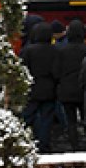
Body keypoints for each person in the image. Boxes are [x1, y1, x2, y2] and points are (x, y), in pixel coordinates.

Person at [20, 22, 60, 153]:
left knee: (27, 117)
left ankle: (23, 142)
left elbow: (22, 69)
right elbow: (57, 71)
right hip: (49, 89)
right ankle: (43, 144)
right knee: (46, 118)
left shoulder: (28, 50)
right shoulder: (55, 50)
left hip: (31, 88)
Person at [54, 20, 86, 151]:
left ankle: (74, 144)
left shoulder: (61, 50)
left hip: (66, 90)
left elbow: (56, 71)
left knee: (71, 120)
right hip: (83, 89)